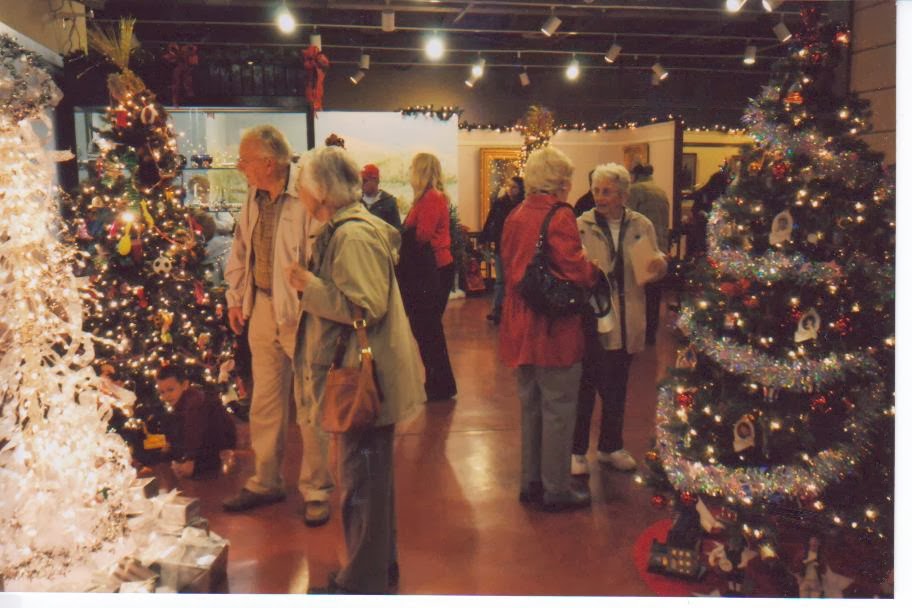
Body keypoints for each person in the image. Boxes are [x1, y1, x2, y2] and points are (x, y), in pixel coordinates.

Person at [284, 146, 425, 594]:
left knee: (362, 486)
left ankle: (362, 584)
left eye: (303, 189)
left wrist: (311, 287)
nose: (300, 197)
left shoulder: (352, 236)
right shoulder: (347, 230)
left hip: (363, 382)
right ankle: (376, 573)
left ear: (321, 191)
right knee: (370, 485)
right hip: (367, 377)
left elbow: (365, 305)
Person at [222, 125, 334, 526]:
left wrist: (313, 303)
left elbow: (322, 254)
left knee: (309, 404)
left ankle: (317, 489)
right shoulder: (254, 196)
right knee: (265, 401)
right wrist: (236, 298)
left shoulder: (305, 194)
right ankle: (266, 480)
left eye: (246, 160)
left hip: (301, 315)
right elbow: (241, 249)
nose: (241, 167)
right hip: (262, 308)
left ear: (269, 163)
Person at [499, 147, 602, 512]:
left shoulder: (516, 214)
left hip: (519, 324)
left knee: (531, 407)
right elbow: (574, 267)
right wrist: (596, 273)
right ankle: (557, 488)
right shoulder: (560, 215)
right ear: (560, 181)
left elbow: (509, 265)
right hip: (552, 328)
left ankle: (531, 481)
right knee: (559, 406)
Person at [571, 163, 667, 476]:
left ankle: (611, 447)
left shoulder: (641, 224)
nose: (599, 197)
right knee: (585, 390)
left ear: (624, 195)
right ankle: (577, 451)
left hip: (628, 322)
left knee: (617, 390)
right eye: (597, 190)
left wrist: (658, 265)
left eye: (607, 191)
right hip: (594, 322)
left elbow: (655, 260)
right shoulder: (581, 225)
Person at [401, 152, 457, 401]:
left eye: (413, 167)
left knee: (428, 329)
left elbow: (422, 236)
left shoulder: (431, 199)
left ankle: (440, 384)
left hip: (433, 270)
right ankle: (437, 382)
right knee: (426, 329)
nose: (409, 170)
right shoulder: (426, 198)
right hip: (428, 269)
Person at [156, 366, 236, 479]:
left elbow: (195, 430)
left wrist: (190, 460)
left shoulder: (194, 402)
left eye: (170, 390)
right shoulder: (182, 402)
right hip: (207, 444)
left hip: (217, 445)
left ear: (184, 385)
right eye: (162, 392)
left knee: (193, 470)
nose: (166, 396)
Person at [627, 163, 669, 346]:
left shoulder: (635, 191)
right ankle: (652, 333)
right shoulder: (660, 192)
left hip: (641, 247)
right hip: (660, 245)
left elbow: (628, 219)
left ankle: (640, 335)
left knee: (640, 295)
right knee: (654, 293)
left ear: (635, 175)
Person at [480, 175, 524, 325]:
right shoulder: (500, 203)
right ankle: (497, 309)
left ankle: (512, 311)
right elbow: (490, 220)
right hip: (501, 245)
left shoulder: (523, 205)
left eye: (514, 187)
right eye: (509, 186)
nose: (510, 190)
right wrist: (483, 238)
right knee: (500, 280)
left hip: (517, 248)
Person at [360, 163, 401, 228]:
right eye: (360, 180)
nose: (361, 184)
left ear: (376, 181)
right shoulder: (356, 201)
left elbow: (396, 230)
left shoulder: (389, 202)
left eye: (364, 180)